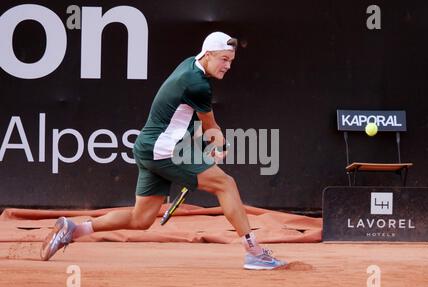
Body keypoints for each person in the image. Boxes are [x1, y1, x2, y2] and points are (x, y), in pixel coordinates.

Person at [41, 31, 287, 270]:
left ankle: (74, 229)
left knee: (141, 219)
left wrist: (203, 146)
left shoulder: (190, 64)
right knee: (225, 183)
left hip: (149, 148)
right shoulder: (197, 84)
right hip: (163, 150)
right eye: (224, 59)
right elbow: (210, 126)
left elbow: (186, 122)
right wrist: (220, 145)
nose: (228, 66)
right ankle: (254, 252)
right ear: (209, 55)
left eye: (231, 61)